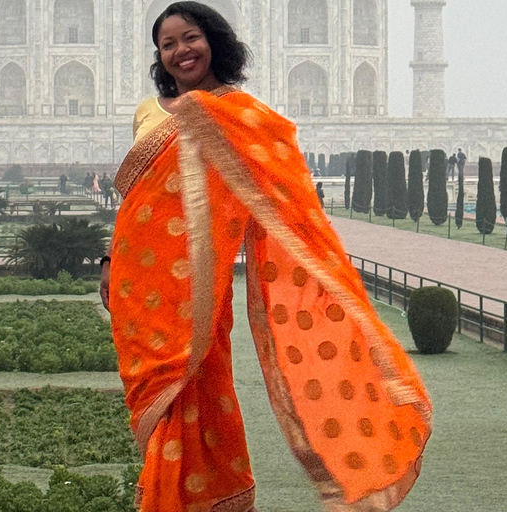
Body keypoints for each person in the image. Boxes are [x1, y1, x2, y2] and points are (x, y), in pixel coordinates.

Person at [100, 3, 431, 511]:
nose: (180, 51)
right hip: (145, 281)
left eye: (190, 38)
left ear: (213, 39)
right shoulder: (152, 112)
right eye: (168, 44)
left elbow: (283, 200)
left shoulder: (246, 116)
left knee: (197, 383)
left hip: (198, 288)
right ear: (158, 55)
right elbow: (140, 202)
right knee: (162, 397)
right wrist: (110, 262)